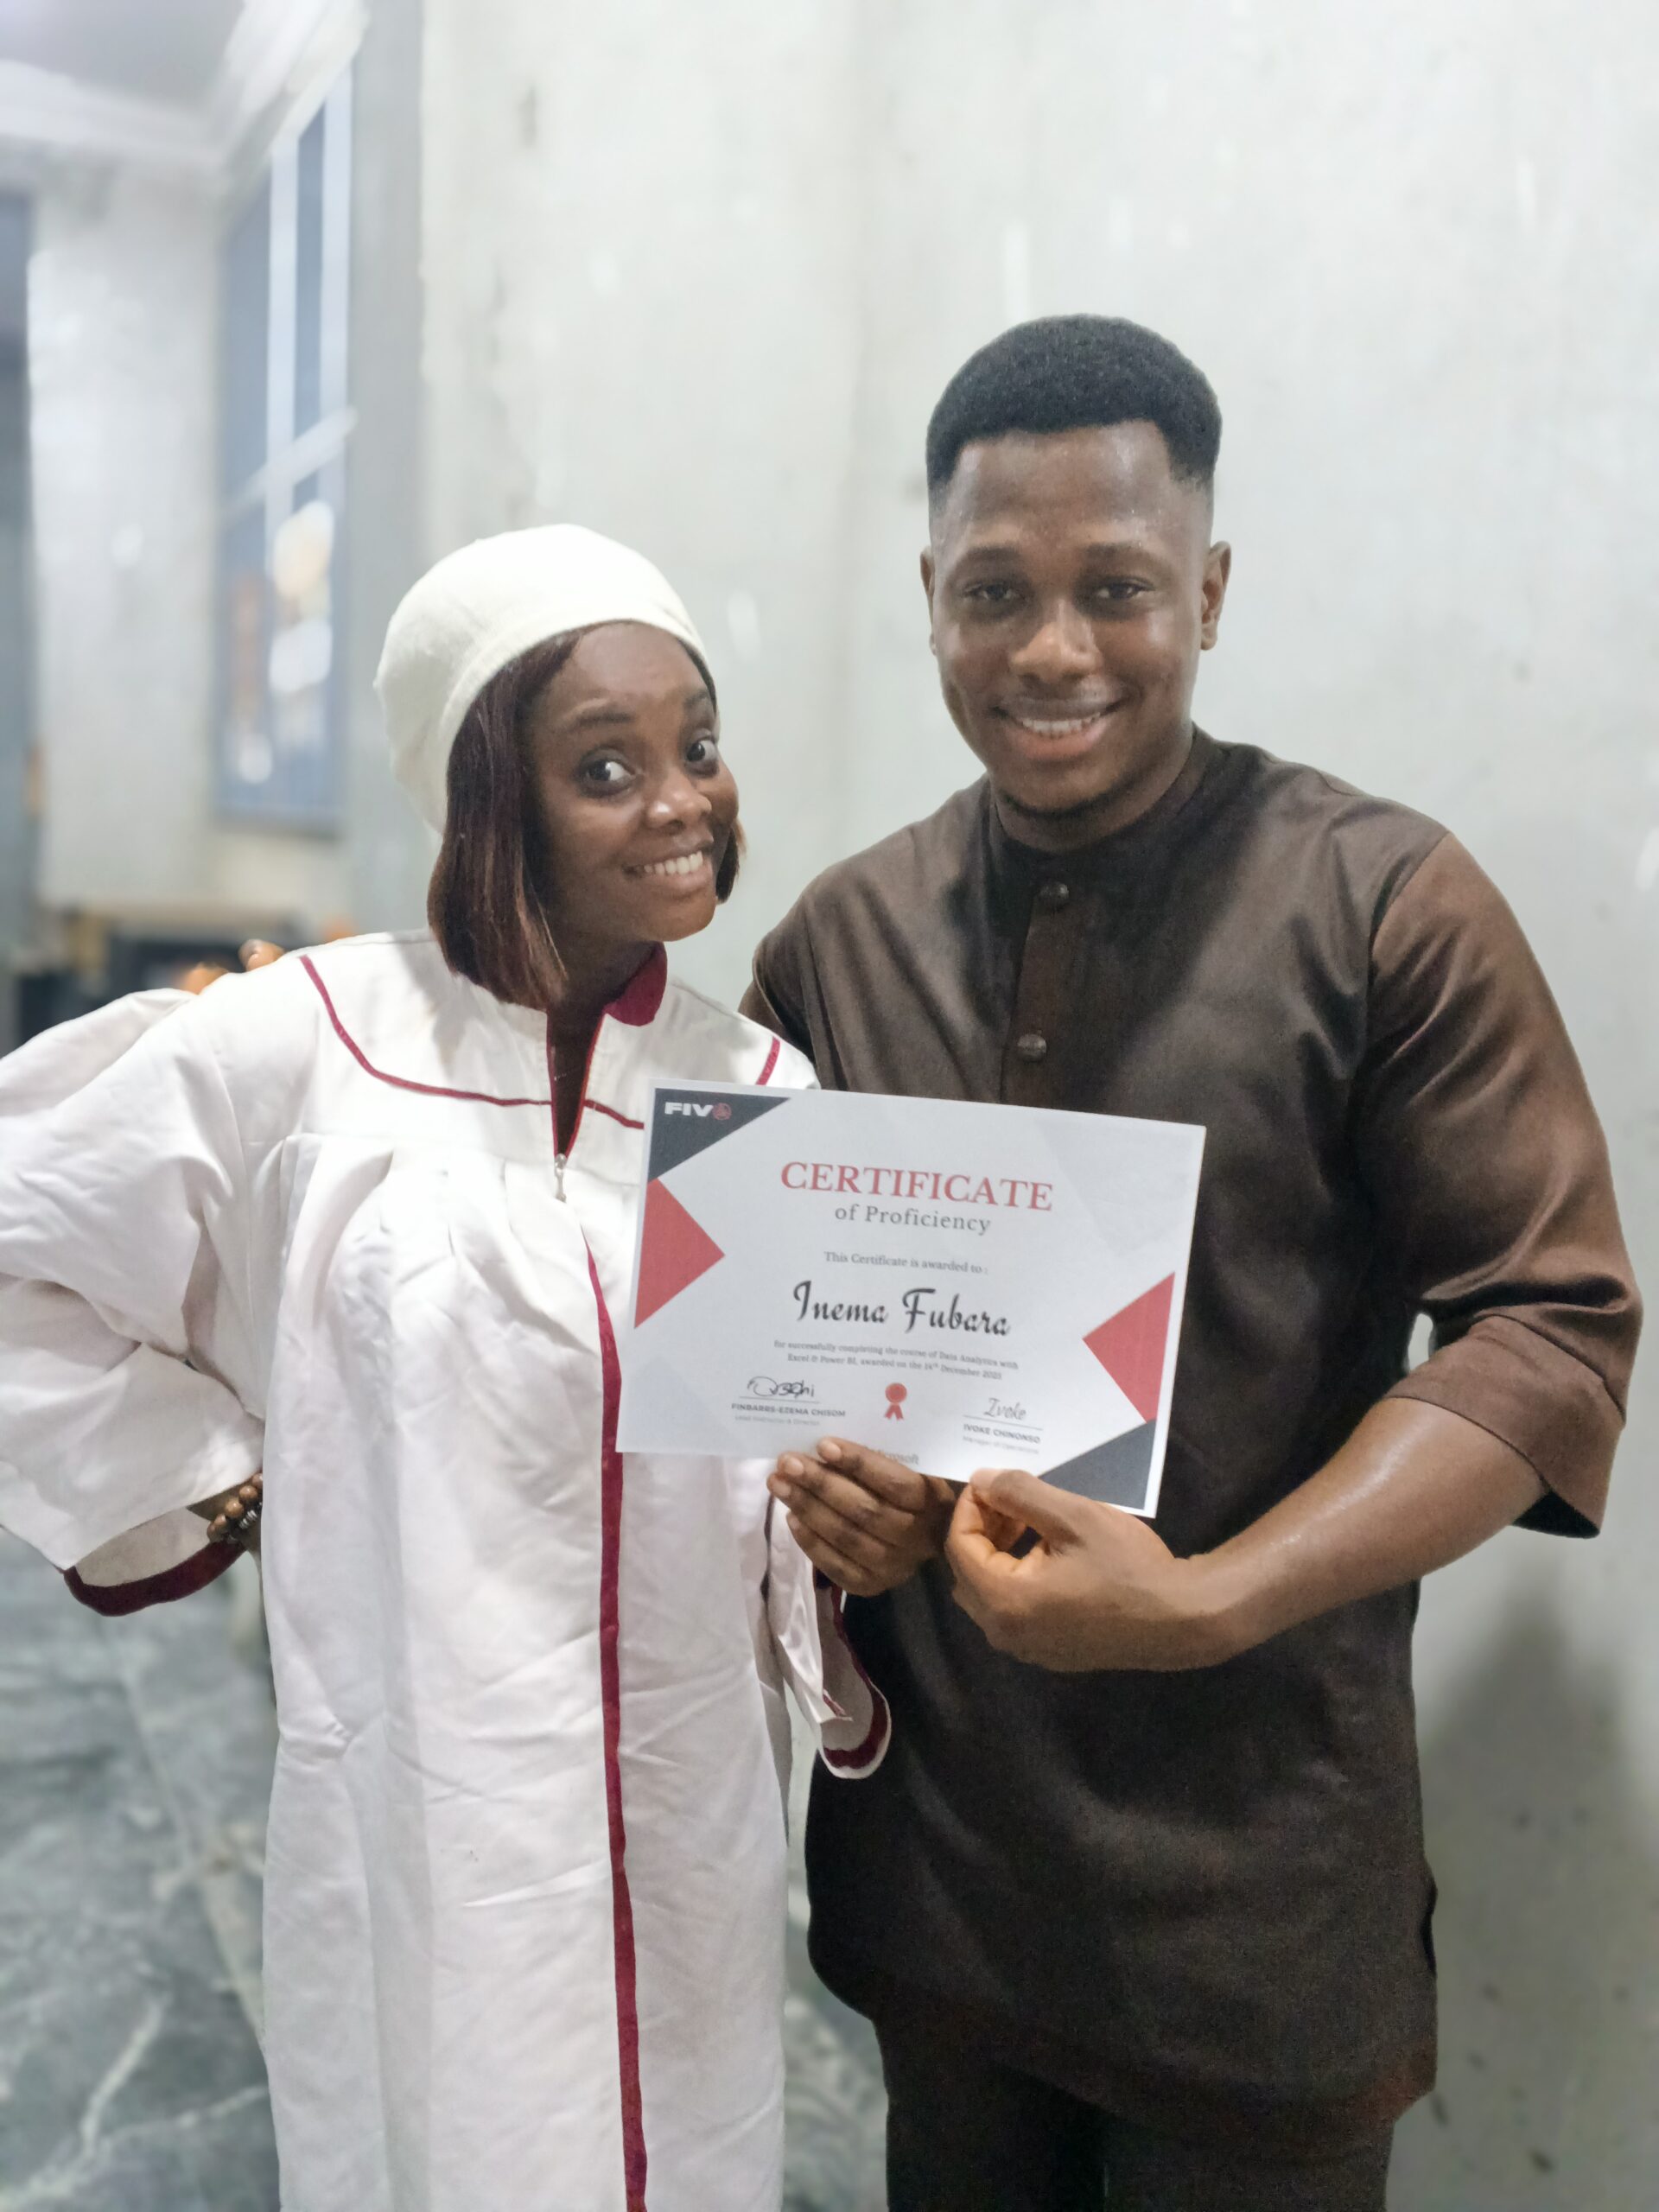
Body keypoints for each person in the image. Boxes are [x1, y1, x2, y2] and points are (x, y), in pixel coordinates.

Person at [750, 317, 1641, 2211]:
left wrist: (1213, 1599)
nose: (1053, 649)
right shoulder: (840, 943)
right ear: (932, 600)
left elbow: (1549, 1326)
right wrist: (839, 1498)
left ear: (1210, 593)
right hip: (940, 1876)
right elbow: (771, 1348)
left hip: (1255, 1901)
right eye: (997, 592)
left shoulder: (1383, 905)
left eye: (1118, 588)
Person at [0, 524, 885, 2212]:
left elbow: (775, 1448)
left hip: (687, 1794)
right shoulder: (309, 1046)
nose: (683, 801)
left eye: (697, 745)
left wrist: (839, 1516)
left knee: (689, 2143)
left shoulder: (757, 1092)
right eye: (606, 767)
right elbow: (20, 1230)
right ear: (490, 800)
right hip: (423, 1788)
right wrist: (213, 1476)